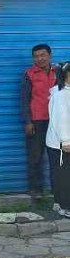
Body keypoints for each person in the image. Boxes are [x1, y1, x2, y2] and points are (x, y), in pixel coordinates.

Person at [21, 44, 59, 201]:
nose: (40, 59)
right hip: (37, 121)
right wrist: (28, 121)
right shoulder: (29, 74)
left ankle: (58, 190)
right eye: (36, 56)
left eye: (43, 55)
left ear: (50, 55)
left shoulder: (59, 72)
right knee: (35, 157)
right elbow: (24, 99)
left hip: (57, 122)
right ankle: (36, 190)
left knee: (57, 158)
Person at [46, 62, 70, 217]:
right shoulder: (61, 94)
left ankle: (58, 202)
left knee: (59, 174)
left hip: (60, 142)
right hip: (61, 144)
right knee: (64, 176)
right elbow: (60, 119)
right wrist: (66, 141)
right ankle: (65, 206)